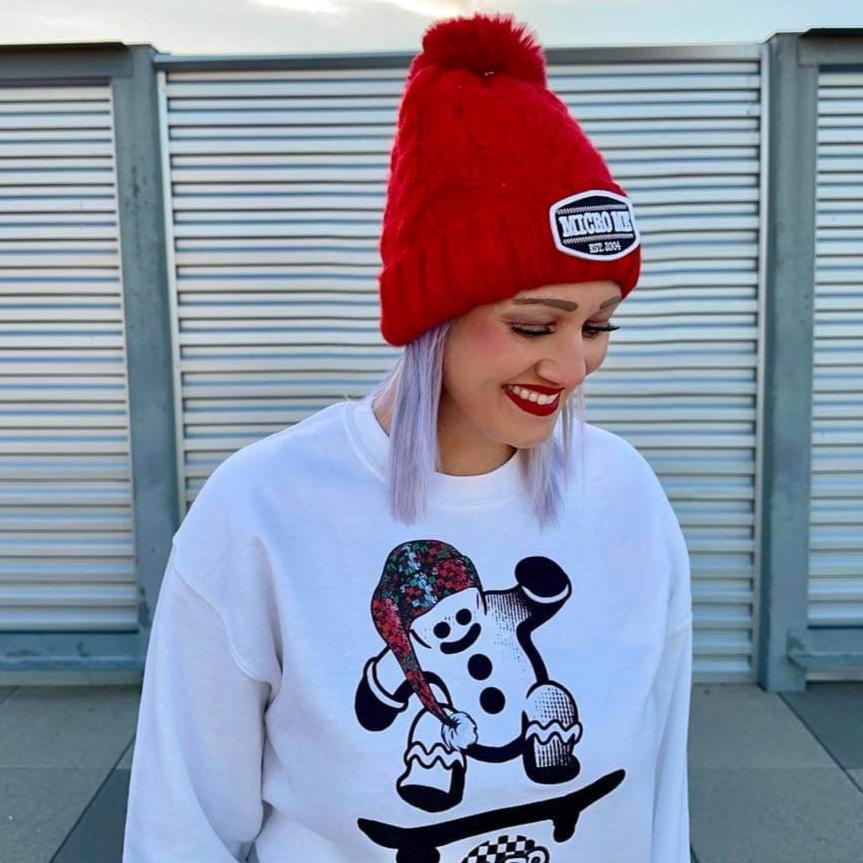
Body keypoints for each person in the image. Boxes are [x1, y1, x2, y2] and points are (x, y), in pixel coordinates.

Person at [122, 11, 693, 863]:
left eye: (599, 324)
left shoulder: (623, 495)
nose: (573, 367)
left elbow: (660, 790)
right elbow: (184, 821)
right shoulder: (264, 507)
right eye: (534, 324)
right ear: (433, 315)